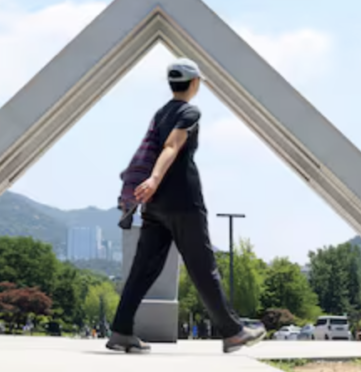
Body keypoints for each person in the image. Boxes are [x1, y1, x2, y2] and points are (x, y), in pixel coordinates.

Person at [106, 58, 266, 355]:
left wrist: (152, 186)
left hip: (154, 207)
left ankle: (120, 331)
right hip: (183, 201)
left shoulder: (161, 112)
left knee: (143, 269)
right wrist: (154, 177)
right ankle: (233, 333)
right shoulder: (189, 111)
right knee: (203, 267)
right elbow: (171, 145)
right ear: (194, 83)